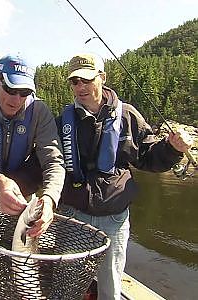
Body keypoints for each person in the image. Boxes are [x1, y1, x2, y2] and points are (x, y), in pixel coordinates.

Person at [56, 53, 192, 300]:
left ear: (102, 78)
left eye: (87, 79)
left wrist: (173, 148)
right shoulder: (62, 122)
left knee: (110, 288)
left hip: (114, 219)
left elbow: (149, 156)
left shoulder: (127, 115)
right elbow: (48, 165)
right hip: (72, 216)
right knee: (67, 286)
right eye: (75, 81)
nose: (81, 87)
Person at [0, 53, 65, 299]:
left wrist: (49, 199)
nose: (17, 98)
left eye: (25, 92)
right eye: (10, 88)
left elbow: (53, 161)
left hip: (23, 197)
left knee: (26, 266)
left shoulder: (39, 111)